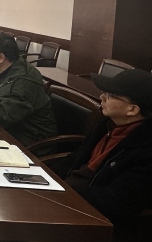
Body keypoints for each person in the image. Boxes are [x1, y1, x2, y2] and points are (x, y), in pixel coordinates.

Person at [52, 69, 152, 240]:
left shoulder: (145, 149)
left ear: (132, 109)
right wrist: (46, 177)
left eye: (110, 95)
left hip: (97, 220)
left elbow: (114, 201)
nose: (101, 97)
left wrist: (65, 190)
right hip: (70, 196)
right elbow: (76, 157)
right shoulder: (107, 124)